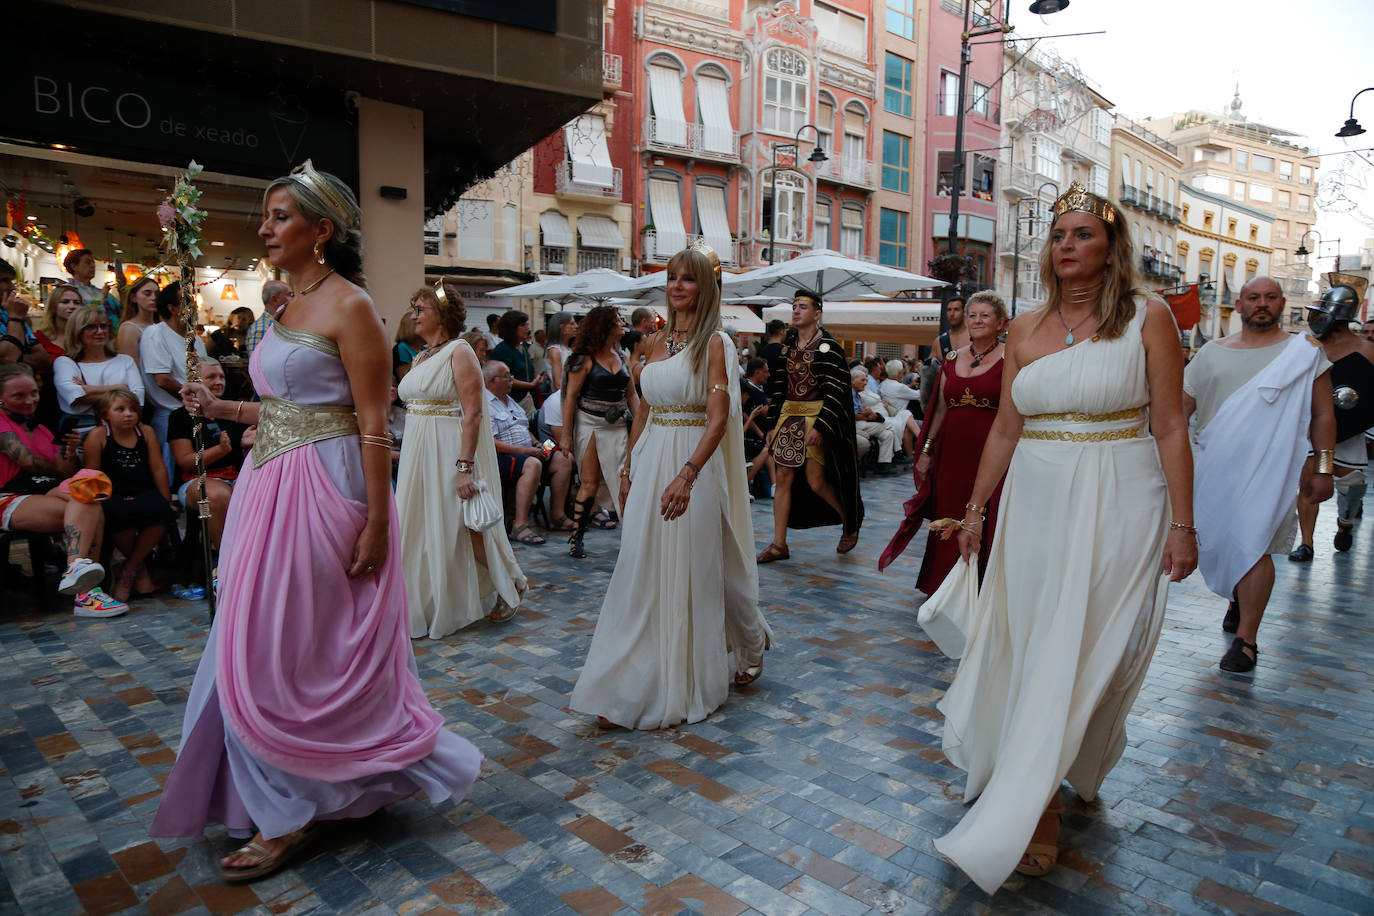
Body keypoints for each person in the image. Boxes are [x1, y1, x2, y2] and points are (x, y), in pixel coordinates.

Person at [150, 161, 482, 882]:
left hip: (328, 488)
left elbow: (370, 421)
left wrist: (374, 519)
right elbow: (285, 406)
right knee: (259, 637)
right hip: (267, 486)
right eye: (266, 216)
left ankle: (297, 808)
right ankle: (291, 791)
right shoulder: (282, 309)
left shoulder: (350, 305)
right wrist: (223, 408)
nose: (266, 228)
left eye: (280, 217)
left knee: (301, 646)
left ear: (321, 230)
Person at [930, 183, 1196, 893]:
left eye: (1083, 233)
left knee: (1086, 642)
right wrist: (977, 508)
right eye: (1058, 235)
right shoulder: (1022, 327)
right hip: (1037, 496)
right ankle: (1036, 789)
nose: (1067, 245)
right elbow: (1007, 428)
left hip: (1121, 493)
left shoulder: (1150, 317)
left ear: (1112, 249)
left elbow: (1170, 424)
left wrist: (1182, 524)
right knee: (1036, 640)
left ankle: (1063, 765)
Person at [570, 243, 771, 730]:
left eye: (688, 278)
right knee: (641, 568)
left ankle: (741, 641)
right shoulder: (654, 344)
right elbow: (644, 412)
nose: (676, 285)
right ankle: (628, 681)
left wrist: (687, 474)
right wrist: (626, 471)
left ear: (706, 288)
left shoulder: (717, 343)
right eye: (672, 276)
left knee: (702, 569)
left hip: (692, 467)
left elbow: (719, 420)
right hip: (650, 459)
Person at [1185, 276, 1335, 673]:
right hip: (1215, 469)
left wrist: (1322, 468)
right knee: (1217, 543)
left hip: (1273, 469)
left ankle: (1246, 640)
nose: (1262, 304)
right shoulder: (1210, 354)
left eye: (1270, 297)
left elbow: (1324, 413)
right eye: (1254, 298)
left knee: (1255, 544)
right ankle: (1239, 598)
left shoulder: (1303, 353)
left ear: (1283, 304)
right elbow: (1176, 415)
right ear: (1239, 305)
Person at [397, 284, 527, 637]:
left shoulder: (460, 351)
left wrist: (464, 466)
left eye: (421, 308)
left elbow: (472, 414)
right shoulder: (421, 356)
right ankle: (430, 599)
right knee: (425, 524)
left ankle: (509, 583)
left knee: (461, 523)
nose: (414, 315)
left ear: (441, 314)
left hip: (448, 449)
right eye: (414, 308)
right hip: (418, 451)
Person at [881, 291, 1008, 593]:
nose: (977, 320)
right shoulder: (952, 359)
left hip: (990, 453)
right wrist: (926, 451)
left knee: (986, 515)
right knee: (948, 513)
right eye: (972, 315)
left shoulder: (1010, 358)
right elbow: (938, 409)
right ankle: (942, 586)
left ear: (1001, 323)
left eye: (984, 315)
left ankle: (980, 588)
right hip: (951, 454)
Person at [0, 363, 129, 616]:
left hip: (40, 490)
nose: (30, 401)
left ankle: (77, 574)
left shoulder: (41, 429)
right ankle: (86, 591)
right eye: (19, 395)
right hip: (7, 494)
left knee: (88, 490)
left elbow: (62, 473)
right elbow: (27, 461)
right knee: (89, 502)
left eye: (33, 393)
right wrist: (51, 466)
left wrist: (69, 453)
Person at [757, 289, 863, 563]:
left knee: (816, 481)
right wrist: (772, 424)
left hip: (816, 418)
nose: (795, 311)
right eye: (794, 306)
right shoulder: (788, 347)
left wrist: (822, 427)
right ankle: (779, 544)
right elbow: (779, 387)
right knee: (783, 478)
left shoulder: (829, 347)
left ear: (817, 314)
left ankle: (849, 520)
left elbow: (838, 392)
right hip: (788, 418)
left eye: (802, 307)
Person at [1289, 278, 1373, 557]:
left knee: (1352, 484)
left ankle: (1345, 523)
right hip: (1312, 427)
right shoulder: (1309, 346)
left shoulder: (1366, 349)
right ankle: (1306, 542)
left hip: (1348, 429)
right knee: (1309, 481)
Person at [82, 389, 176, 601]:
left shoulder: (146, 432)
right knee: (118, 514)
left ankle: (129, 568)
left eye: (133, 409)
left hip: (143, 491)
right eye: (120, 409)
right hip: (112, 495)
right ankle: (139, 570)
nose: (128, 414)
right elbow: (92, 474)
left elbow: (158, 468)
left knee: (162, 511)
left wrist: (166, 499)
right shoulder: (98, 436)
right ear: (106, 414)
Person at [560, 305, 636, 558]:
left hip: (617, 426)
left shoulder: (622, 357)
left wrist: (643, 423)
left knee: (624, 480)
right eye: (617, 320)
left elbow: (632, 395)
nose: (622, 323)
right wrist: (566, 435)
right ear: (605, 326)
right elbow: (570, 396)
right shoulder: (584, 359)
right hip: (590, 424)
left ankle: (633, 537)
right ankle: (576, 538)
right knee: (590, 483)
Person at [485, 360, 573, 545]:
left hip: (528, 450)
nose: (512, 379)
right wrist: (527, 451)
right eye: (507, 375)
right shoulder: (485, 404)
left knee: (564, 458)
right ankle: (520, 525)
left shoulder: (510, 401)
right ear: (493, 380)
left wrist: (539, 445)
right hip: (502, 457)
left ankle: (557, 515)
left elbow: (524, 429)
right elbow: (490, 443)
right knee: (532, 464)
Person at [167, 358, 251, 549]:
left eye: (221, 376)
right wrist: (220, 450)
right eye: (211, 377)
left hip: (236, 478)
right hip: (195, 481)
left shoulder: (233, 412)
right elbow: (186, 462)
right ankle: (227, 564)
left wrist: (247, 446)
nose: (218, 382)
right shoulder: (180, 417)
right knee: (216, 496)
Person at [139, 281, 207, 467]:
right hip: (170, 415)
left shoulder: (197, 340)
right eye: (188, 302)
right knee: (173, 471)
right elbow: (162, 380)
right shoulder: (155, 334)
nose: (195, 307)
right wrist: (195, 398)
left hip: (197, 412)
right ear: (173, 308)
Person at [54, 306, 145, 438]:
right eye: (91, 327)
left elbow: (137, 399)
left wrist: (86, 389)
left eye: (103, 326)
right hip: (81, 433)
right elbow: (74, 397)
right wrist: (121, 388)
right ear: (77, 331)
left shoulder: (125, 361)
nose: (100, 331)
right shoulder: (65, 363)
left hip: (123, 432)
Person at [490, 310, 545, 412]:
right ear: (512, 328)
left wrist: (537, 379)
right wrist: (531, 385)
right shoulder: (503, 349)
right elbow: (504, 379)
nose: (527, 328)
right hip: (511, 403)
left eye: (527, 324)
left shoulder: (522, 347)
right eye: (523, 325)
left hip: (527, 400)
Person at [851, 367, 897, 474]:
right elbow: (851, 415)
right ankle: (898, 452)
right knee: (888, 425)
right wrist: (866, 417)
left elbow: (858, 412)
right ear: (853, 380)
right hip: (855, 424)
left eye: (866, 380)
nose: (866, 383)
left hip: (863, 424)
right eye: (863, 380)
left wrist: (866, 412)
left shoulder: (857, 394)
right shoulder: (849, 393)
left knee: (888, 433)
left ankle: (883, 464)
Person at [63, 249, 120, 324]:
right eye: (87, 262)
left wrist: (121, 289)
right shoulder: (65, 291)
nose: (93, 265)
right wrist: (102, 296)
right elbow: (82, 317)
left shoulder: (101, 292)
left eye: (93, 262)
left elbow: (124, 310)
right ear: (74, 266)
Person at [113, 277, 161, 366]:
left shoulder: (160, 325)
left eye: (157, 294)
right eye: (147, 294)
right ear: (133, 297)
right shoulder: (129, 329)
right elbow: (132, 368)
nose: (154, 298)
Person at [245, 281, 290, 356]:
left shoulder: (274, 324)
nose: (293, 299)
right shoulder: (261, 329)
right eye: (290, 295)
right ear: (275, 299)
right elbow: (257, 365)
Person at [545, 312, 577, 388]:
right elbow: (558, 384)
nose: (576, 326)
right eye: (572, 324)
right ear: (562, 328)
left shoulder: (569, 349)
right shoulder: (555, 350)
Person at [392, 311, 424, 382]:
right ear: (411, 327)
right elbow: (404, 378)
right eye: (419, 323)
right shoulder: (402, 348)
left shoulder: (424, 348)